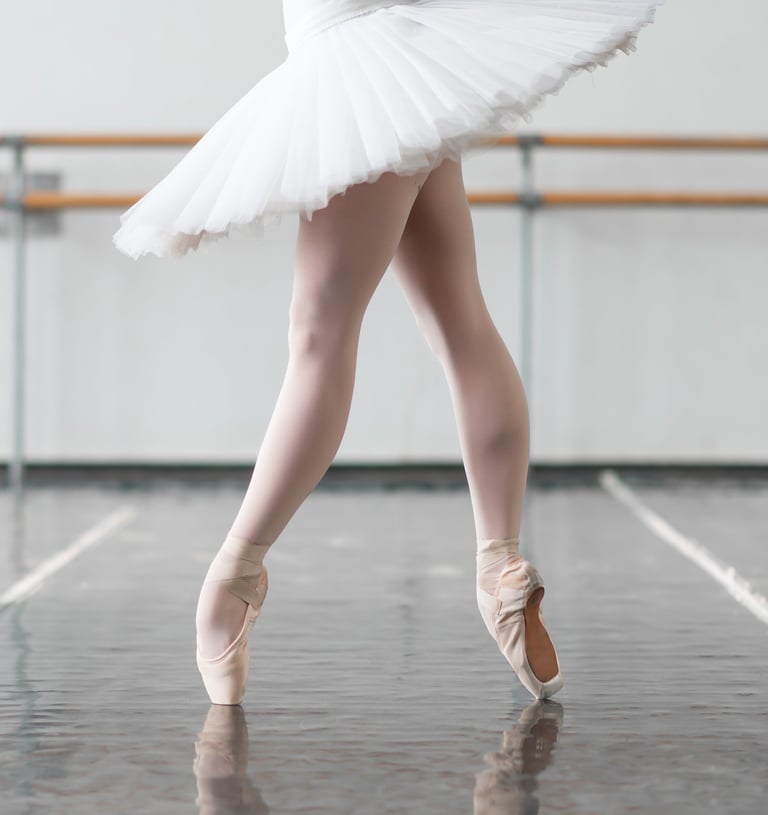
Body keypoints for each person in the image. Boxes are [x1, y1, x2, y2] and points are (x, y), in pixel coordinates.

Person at [113, 0, 665, 705]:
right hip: (401, 53)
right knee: (461, 321)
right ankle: (500, 564)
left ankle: (234, 574)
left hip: (356, 65)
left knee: (320, 335)